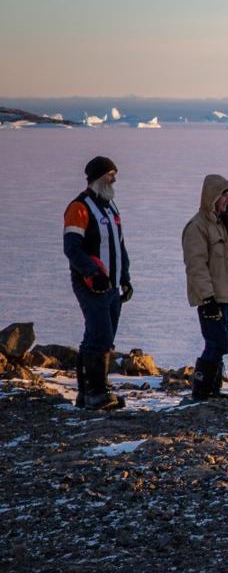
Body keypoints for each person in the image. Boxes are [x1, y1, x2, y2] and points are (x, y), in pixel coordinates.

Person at [63, 156, 132, 410]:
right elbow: (72, 248)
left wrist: (125, 278)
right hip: (91, 284)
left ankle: (87, 392)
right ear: (96, 178)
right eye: (110, 175)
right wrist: (93, 273)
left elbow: (120, 246)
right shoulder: (79, 208)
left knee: (102, 335)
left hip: (112, 285)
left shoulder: (110, 207)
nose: (114, 179)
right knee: (100, 335)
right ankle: (96, 393)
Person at [181, 174, 228, 402]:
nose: (226, 199)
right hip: (210, 298)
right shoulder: (198, 227)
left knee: (221, 344)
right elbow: (196, 267)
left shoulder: (224, 224)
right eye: (223, 194)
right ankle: (202, 391)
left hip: (225, 296)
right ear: (211, 197)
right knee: (217, 343)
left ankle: (213, 390)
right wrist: (207, 298)